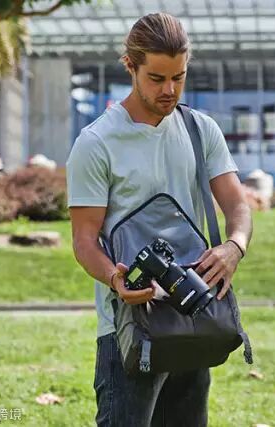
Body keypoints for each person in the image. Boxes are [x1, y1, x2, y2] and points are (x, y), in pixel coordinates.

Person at [65, 12, 253, 426]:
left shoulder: (201, 130)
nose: (169, 90)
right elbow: (84, 240)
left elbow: (238, 205)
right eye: (156, 78)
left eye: (178, 77)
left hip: (194, 320)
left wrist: (233, 246)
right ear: (130, 66)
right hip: (129, 328)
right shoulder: (96, 143)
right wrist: (114, 278)